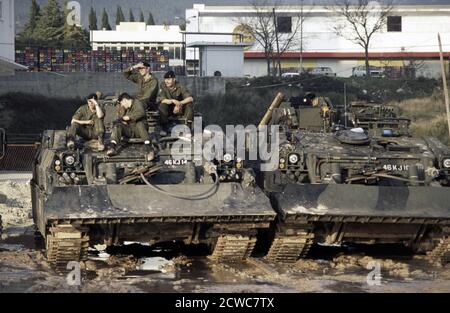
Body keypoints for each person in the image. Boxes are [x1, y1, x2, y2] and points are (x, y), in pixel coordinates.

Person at [106, 93, 154, 158]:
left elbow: (141, 112)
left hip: (140, 131)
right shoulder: (127, 109)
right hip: (131, 130)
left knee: (139, 123)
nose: (122, 105)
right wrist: (123, 121)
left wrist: (129, 117)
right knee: (118, 126)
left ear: (125, 100)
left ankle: (149, 149)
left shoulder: (137, 103)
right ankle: (112, 147)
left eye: (121, 103)